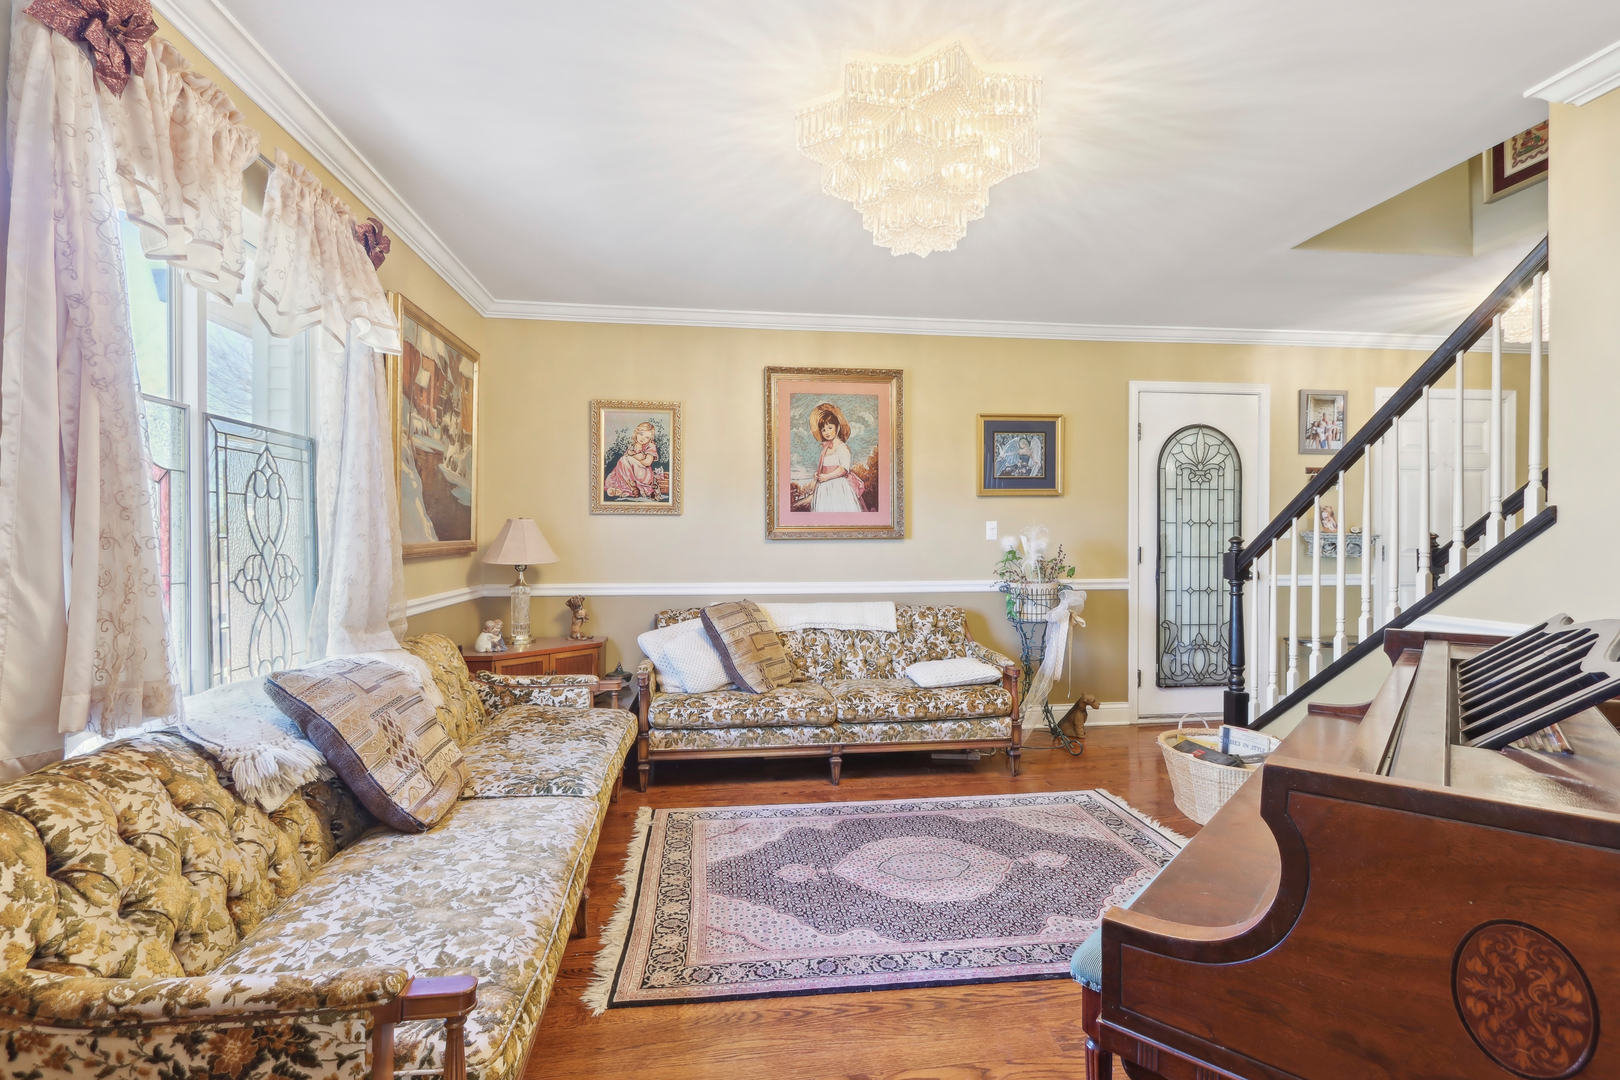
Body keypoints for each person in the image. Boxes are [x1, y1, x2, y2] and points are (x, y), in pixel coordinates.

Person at [808, 403, 865, 512]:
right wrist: (818, 474)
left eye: (830, 427)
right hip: (824, 488)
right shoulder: (825, 448)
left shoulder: (841, 447)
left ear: (837, 427)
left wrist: (827, 476)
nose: (827, 432)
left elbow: (843, 469)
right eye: (823, 429)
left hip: (838, 486)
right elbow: (824, 466)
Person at [604, 421, 661, 499]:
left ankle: (631, 488)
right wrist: (634, 457)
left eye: (647, 437)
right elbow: (623, 466)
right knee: (623, 460)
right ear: (636, 433)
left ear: (650, 439)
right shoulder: (632, 446)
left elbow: (647, 462)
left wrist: (633, 457)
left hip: (643, 474)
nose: (643, 438)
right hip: (630, 474)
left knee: (624, 459)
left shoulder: (650, 446)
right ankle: (629, 488)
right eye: (641, 434)